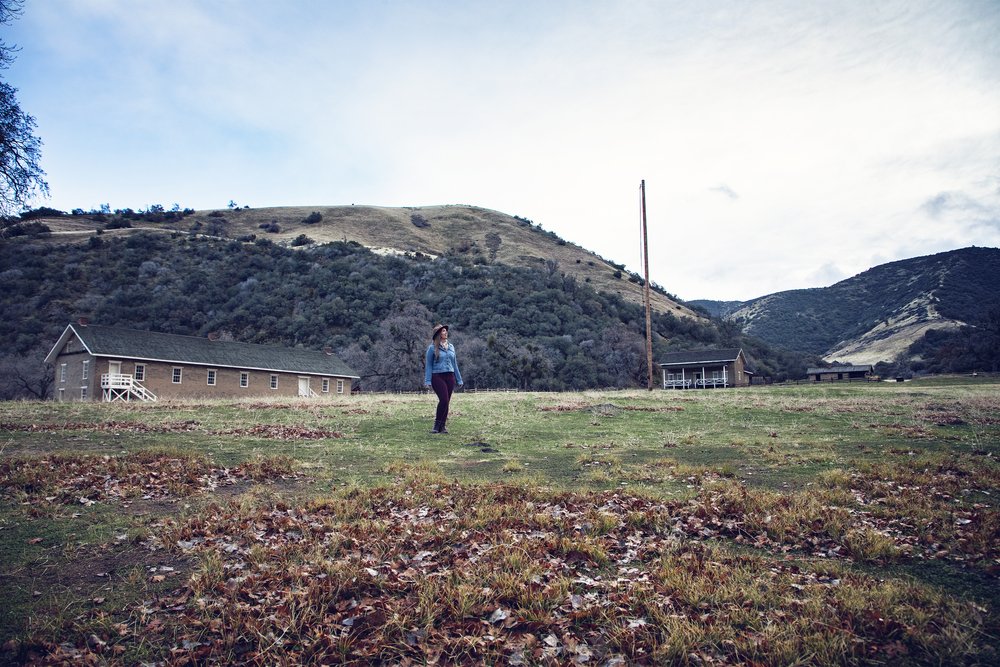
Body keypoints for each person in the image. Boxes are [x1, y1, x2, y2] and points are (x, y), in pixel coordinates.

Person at [424, 323, 463, 434]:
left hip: (449, 376)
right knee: (444, 400)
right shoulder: (432, 348)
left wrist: (459, 379)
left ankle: (443, 426)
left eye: (446, 331)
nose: (445, 332)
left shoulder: (451, 347)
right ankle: (436, 425)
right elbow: (429, 365)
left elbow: (454, 364)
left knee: (447, 402)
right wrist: (427, 380)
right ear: (438, 334)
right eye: (443, 331)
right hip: (437, 376)